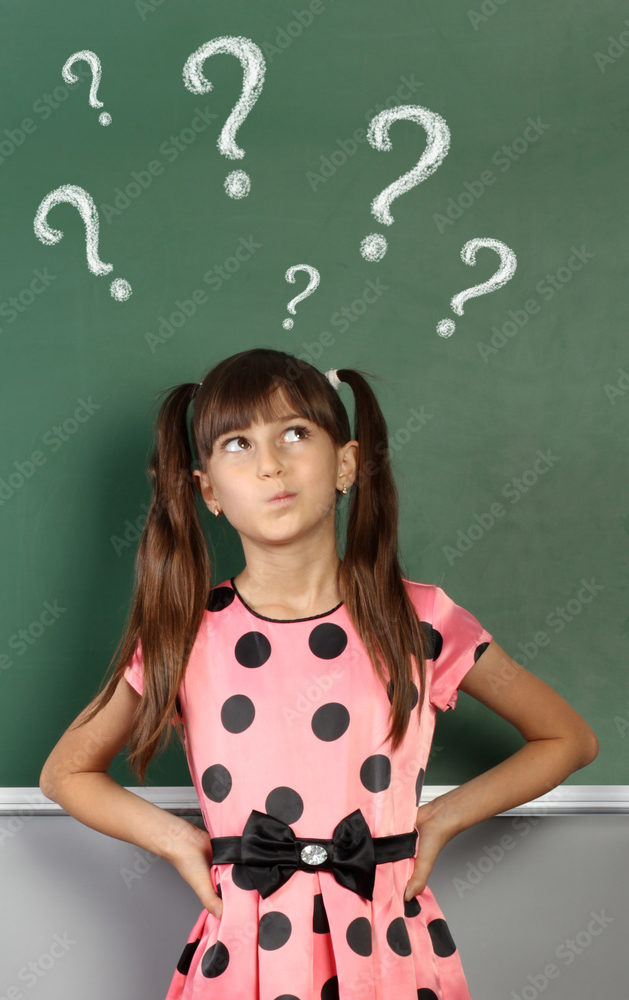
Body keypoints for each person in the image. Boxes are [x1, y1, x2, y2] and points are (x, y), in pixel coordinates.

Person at [40, 347, 598, 1000]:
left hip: (386, 947)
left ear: (346, 463)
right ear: (209, 491)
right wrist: (175, 840)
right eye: (238, 444)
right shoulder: (184, 636)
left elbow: (568, 738)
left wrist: (441, 818)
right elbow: (65, 772)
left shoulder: (419, 618)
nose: (270, 463)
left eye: (294, 434)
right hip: (246, 953)